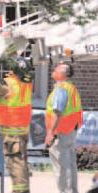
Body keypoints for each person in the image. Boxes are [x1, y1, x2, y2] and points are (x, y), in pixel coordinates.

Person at [0, 57, 34, 193]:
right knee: (21, 162)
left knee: (15, 163)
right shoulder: (27, 84)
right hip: (22, 130)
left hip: (12, 132)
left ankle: (20, 191)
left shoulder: (10, 84)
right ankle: (24, 189)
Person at [45, 61, 83, 193]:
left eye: (58, 68)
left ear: (65, 74)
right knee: (70, 165)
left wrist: (50, 133)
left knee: (62, 167)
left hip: (60, 132)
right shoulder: (71, 87)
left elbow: (57, 112)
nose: (54, 69)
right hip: (70, 131)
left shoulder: (61, 89)